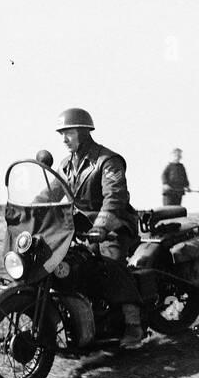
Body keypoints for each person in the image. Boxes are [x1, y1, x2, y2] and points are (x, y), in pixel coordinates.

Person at [51, 108, 146, 348]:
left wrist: (102, 226)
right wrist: (24, 211)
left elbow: (114, 196)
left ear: (83, 132)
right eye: (62, 133)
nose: (64, 139)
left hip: (114, 224)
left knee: (110, 260)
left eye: (68, 132)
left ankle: (133, 324)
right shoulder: (65, 166)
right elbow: (49, 194)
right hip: (81, 228)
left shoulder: (107, 160)